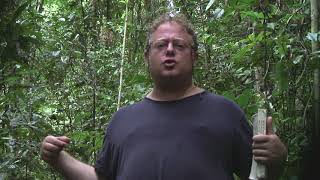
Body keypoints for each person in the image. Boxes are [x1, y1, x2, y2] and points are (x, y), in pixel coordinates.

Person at [40, 14, 287, 180]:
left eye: (179, 45)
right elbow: (101, 177)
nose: (169, 50)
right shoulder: (122, 121)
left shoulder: (225, 113)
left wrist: (276, 159)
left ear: (194, 57)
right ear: (147, 56)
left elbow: (258, 175)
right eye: (161, 45)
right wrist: (58, 159)